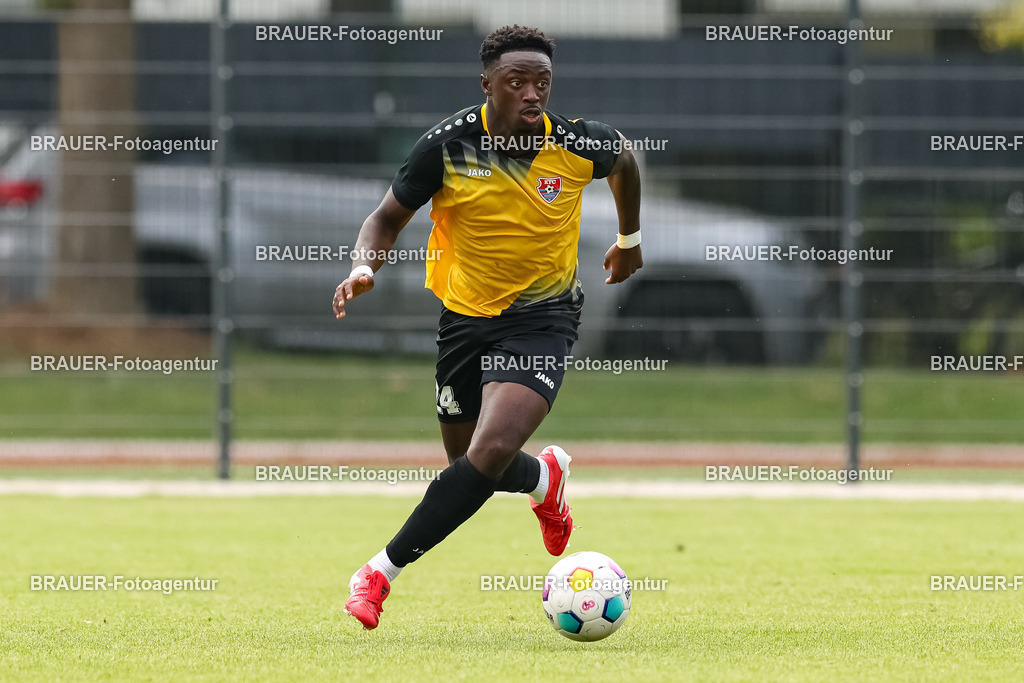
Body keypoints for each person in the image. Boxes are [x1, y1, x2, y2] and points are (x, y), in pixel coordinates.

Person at [331, 24, 643, 630]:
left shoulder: (577, 143)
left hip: (543, 317)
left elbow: (625, 160)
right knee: (470, 465)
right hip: (463, 321)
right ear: (487, 85)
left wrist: (629, 239)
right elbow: (384, 218)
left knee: (490, 451)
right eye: (517, 82)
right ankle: (545, 478)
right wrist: (363, 265)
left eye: (542, 83)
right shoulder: (446, 147)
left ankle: (377, 573)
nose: (532, 94)